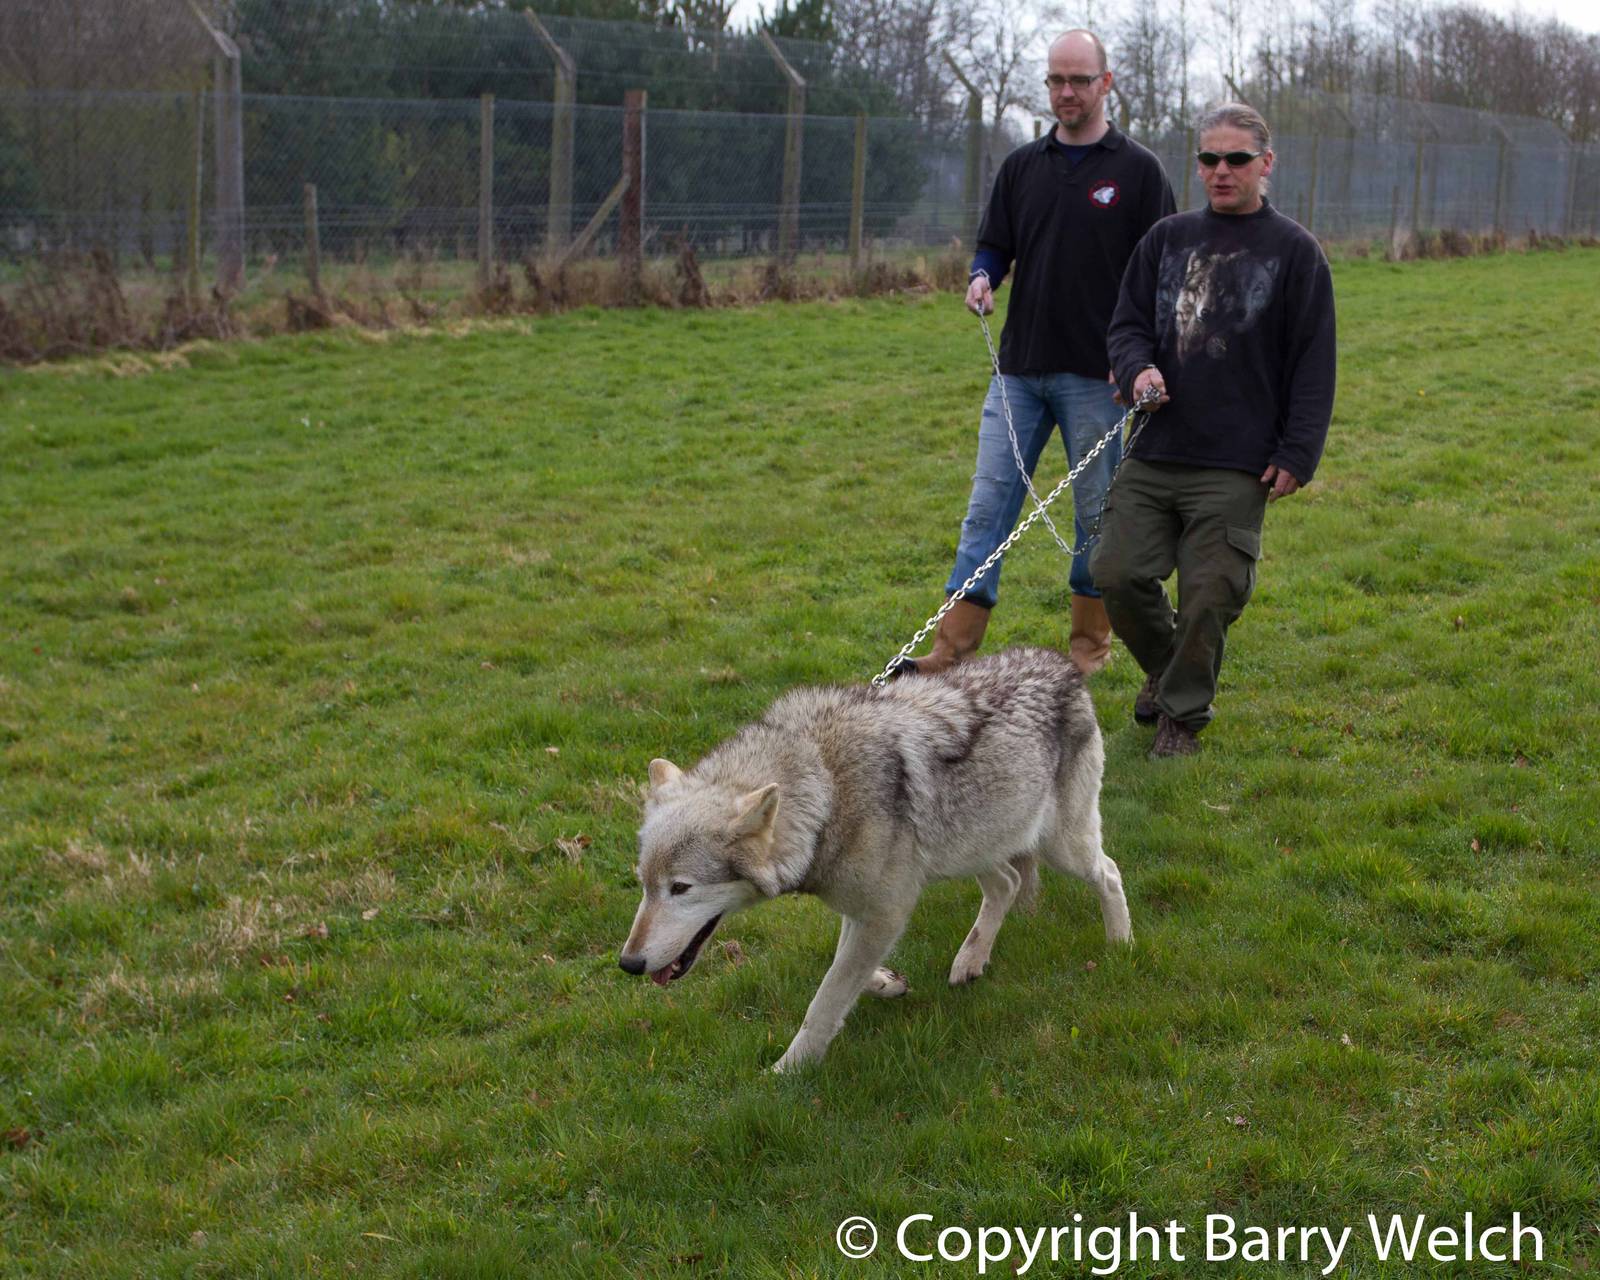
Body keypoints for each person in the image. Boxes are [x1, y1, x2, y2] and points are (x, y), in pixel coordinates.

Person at [892, 29, 1176, 679]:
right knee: (988, 506)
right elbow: (995, 245)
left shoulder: (1139, 172)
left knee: (1094, 516)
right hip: (1018, 372)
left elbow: (1160, 274)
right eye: (1055, 80)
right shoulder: (1022, 167)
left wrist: (1136, 361)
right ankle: (950, 652)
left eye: (1078, 80)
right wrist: (982, 276)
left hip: (1099, 381)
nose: (1065, 92)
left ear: (1107, 83)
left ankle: (1087, 652)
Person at [1092, 102, 1337, 757]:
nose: (1220, 171)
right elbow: (1126, 326)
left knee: (1211, 593)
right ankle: (1167, 670)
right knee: (1113, 571)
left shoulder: (1296, 253)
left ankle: (1181, 716)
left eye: (1236, 159)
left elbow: (1315, 362)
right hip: (1157, 447)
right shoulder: (1167, 239)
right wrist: (1137, 368)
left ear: (1266, 163)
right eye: (1208, 159)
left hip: (1238, 460)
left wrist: (1298, 452)